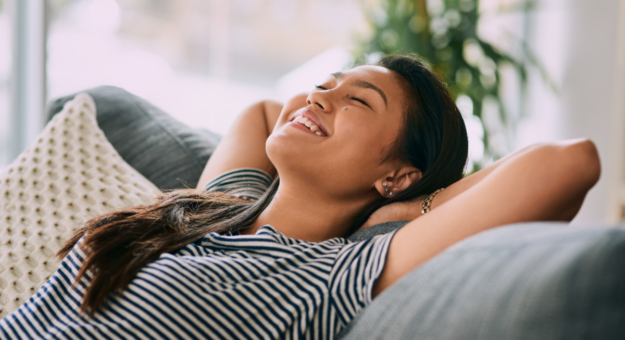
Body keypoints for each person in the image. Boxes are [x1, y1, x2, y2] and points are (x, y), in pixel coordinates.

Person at [0, 55, 600, 339]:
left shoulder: (334, 274)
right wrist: (330, 109)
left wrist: (407, 211)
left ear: (396, 174)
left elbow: (566, 164)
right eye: (321, 85)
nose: (318, 98)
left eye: (358, 101)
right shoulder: (223, 205)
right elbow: (263, 111)